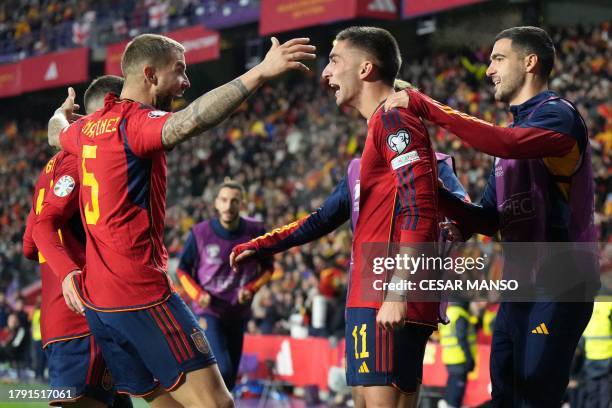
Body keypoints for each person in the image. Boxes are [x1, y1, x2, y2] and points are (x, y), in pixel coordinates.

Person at [46, 33, 315, 407]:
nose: (186, 82)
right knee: (218, 404)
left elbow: (55, 133)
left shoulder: (87, 129)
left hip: (100, 305)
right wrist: (260, 73)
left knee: (165, 402)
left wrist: (62, 112)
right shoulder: (135, 124)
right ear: (150, 75)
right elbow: (190, 121)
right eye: (180, 71)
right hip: (141, 294)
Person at [385, 26, 597, 406]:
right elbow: (485, 220)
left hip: (562, 278)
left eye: (498, 59)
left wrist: (426, 106)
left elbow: (506, 142)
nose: (488, 70)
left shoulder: (558, 116)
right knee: (504, 393)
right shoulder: (510, 140)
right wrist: (430, 189)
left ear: (530, 62)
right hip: (518, 287)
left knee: (534, 394)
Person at [24, 75, 132, 407]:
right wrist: (71, 272)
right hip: (81, 317)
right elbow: (43, 228)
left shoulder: (49, 168)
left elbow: (28, 246)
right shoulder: (80, 160)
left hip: (63, 319)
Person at [177, 179, 273, 390]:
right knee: (223, 369)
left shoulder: (256, 231)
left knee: (230, 380)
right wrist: (198, 294)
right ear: (216, 204)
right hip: (208, 310)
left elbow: (269, 269)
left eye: (234, 201)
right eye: (224, 200)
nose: (229, 205)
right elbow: (182, 269)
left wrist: (251, 289)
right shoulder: (200, 233)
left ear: (242, 204)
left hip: (238, 312)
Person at [438, 301, 477, 408]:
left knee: (451, 393)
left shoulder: (449, 313)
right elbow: (462, 338)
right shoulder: (460, 314)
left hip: (449, 357)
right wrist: (469, 359)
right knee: (455, 397)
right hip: (460, 359)